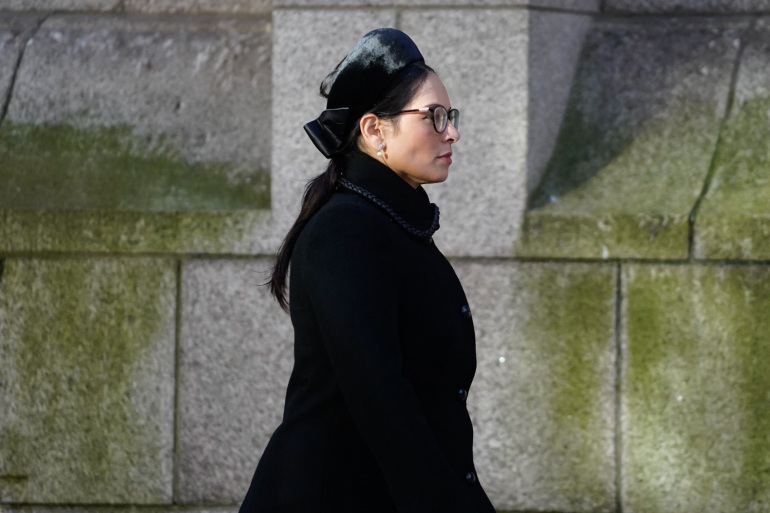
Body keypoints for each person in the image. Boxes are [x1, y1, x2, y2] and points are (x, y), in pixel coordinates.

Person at [239, 28, 496, 513]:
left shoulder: (393, 223)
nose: (452, 132)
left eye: (451, 116)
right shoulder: (346, 232)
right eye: (434, 117)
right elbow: (381, 398)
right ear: (375, 130)